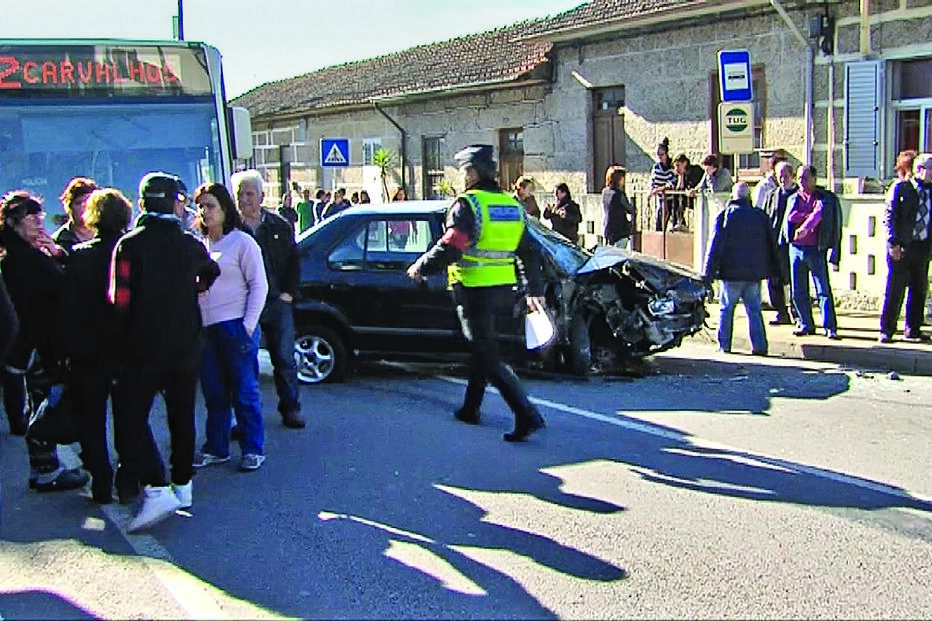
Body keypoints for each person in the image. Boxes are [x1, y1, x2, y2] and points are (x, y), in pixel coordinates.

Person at [405, 144, 546, 442]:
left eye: (463, 171)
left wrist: (421, 266)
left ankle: (525, 413)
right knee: (484, 350)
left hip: (473, 290)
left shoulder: (467, 205)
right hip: (503, 291)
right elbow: (529, 251)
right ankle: (471, 408)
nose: (461, 177)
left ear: (471, 172)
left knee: (487, 353)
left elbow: (452, 245)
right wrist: (535, 288)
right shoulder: (512, 206)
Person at [108, 172, 220, 532]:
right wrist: (192, 289)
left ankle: (157, 486)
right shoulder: (190, 244)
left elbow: (119, 300)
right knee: (182, 413)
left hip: (142, 346)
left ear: (143, 203)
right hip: (186, 343)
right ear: (174, 202)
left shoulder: (129, 245)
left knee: (129, 415)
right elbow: (210, 271)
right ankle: (182, 484)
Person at [0, 191, 88, 492]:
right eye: (30, 216)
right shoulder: (20, 259)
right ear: (13, 223)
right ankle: (47, 468)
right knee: (48, 405)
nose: (39, 222)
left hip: (39, 344)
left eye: (39, 215)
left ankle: (44, 465)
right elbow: (58, 289)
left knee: (44, 402)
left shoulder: (26, 254)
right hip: (42, 345)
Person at [62, 188, 133, 503]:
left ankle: (101, 481)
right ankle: (127, 479)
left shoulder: (79, 256)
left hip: (88, 349)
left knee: (92, 420)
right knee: (129, 417)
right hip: (125, 349)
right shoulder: (131, 253)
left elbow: (68, 307)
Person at [193, 183, 269, 470]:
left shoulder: (242, 243)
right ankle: (216, 446)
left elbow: (259, 285)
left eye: (210, 205)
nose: (204, 212)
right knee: (214, 392)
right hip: (206, 328)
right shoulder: (199, 245)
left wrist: (247, 326)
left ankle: (252, 448)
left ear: (225, 209)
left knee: (244, 391)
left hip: (234, 325)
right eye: (200, 206)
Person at [233, 170, 305, 429]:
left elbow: (294, 263)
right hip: (242, 304)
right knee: (244, 363)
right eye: (240, 194)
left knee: (284, 358)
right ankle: (245, 417)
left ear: (262, 196)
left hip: (276, 302)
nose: (244, 200)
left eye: (249, 194)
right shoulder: (231, 229)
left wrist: (287, 294)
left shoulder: (279, 226)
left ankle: (291, 408)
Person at [702, 182, 778, 355]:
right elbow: (771, 244)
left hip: (731, 273)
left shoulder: (726, 216)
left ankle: (725, 345)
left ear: (733, 197)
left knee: (726, 309)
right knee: (754, 310)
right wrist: (773, 270)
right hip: (753, 273)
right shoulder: (760, 216)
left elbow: (714, 245)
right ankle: (759, 346)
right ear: (748, 197)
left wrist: (708, 274)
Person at [781, 165, 841, 340]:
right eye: (799, 178)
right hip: (796, 249)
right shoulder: (793, 198)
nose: (801, 181)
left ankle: (830, 327)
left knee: (822, 290)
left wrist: (834, 252)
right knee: (798, 290)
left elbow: (825, 217)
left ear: (814, 179)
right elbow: (790, 218)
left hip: (816, 249)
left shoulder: (824, 199)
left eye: (805, 178)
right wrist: (805, 218)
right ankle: (805, 323)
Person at [879, 152, 932, 343]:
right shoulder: (902, 188)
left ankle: (913, 328)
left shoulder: (930, 191)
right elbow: (889, 216)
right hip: (901, 246)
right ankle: (887, 329)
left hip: (922, 246)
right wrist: (892, 242)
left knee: (919, 289)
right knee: (895, 289)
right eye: (930, 168)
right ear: (919, 169)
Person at [763, 161, 797, 325]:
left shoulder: (799, 195)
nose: (783, 180)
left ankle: (797, 312)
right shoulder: (772, 195)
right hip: (774, 243)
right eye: (780, 176)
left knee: (793, 280)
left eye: (786, 176)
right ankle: (780, 312)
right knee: (773, 279)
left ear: (792, 176)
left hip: (792, 244)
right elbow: (766, 216)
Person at [52, 177, 98, 252]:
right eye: (79, 203)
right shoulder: (59, 240)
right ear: (69, 207)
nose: (84, 207)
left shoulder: (110, 233)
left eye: (88, 202)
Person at [602, 166, 634, 248]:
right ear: (619, 179)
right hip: (620, 231)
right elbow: (630, 209)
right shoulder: (618, 194)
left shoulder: (605, 192)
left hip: (608, 229)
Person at [649, 138, 675, 231]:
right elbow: (653, 180)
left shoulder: (672, 166)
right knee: (659, 219)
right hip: (661, 198)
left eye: (662, 154)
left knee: (674, 219)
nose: (660, 157)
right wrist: (651, 190)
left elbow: (672, 183)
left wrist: (659, 189)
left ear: (666, 154)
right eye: (658, 155)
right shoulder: (656, 167)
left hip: (672, 198)